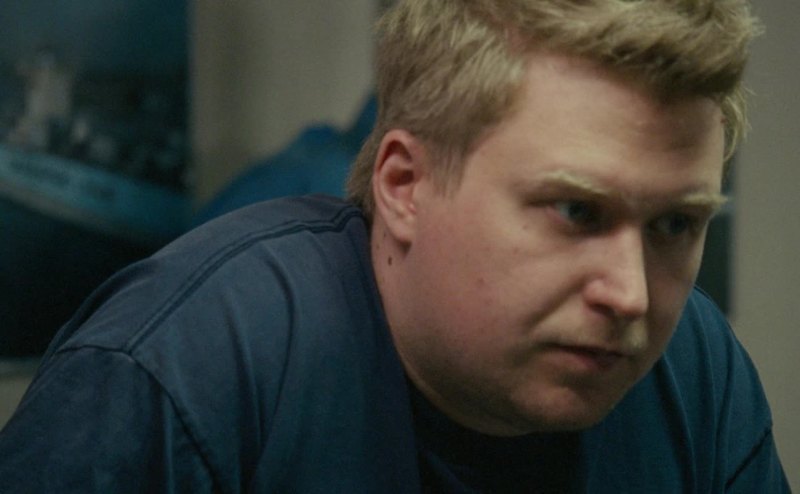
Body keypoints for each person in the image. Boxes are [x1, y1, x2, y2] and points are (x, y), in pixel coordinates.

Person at [0, 0, 791, 491]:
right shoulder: (180, 375)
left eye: (675, 225)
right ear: (405, 185)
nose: (632, 294)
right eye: (576, 211)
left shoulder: (694, 369)